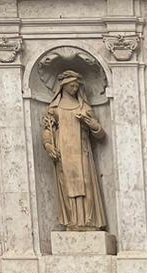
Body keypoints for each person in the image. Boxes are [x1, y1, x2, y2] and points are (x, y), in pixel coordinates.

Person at [42, 70, 107, 231]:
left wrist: (90, 123)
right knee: (67, 186)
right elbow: (47, 129)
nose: (74, 89)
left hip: (82, 151)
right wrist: (49, 144)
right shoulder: (54, 109)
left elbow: (100, 134)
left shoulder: (84, 107)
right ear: (63, 86)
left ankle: (89, 221)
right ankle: (73, 221)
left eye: (77, 86)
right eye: (72, 85)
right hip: (63, 153)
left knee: (86, 184)